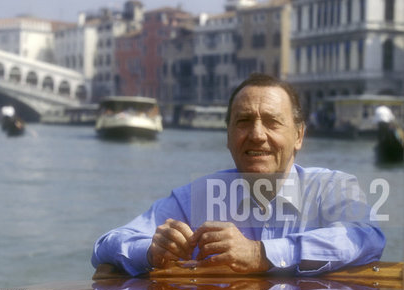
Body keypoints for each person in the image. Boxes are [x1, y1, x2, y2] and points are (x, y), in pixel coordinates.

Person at [91, 73, 385, 276]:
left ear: (298, 136)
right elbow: (106, 245)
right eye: (244, 122)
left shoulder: (332, 187)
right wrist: (151, 251)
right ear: (229, 136)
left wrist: (260, 254)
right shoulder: (196, 197)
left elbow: (367, 238)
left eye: (272, 122)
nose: (257, 135)